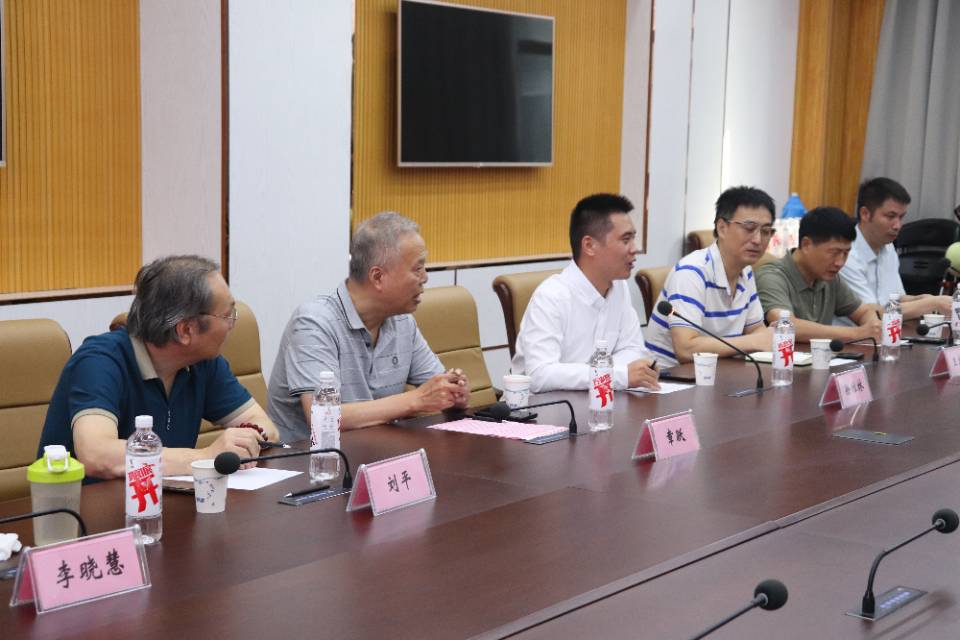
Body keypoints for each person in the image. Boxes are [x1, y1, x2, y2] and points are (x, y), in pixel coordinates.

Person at [38, 255, 279, 480]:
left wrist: (248, 439)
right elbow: (96, 454)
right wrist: (205, 457)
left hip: (165, 501)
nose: (232, 325)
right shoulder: (99, 362)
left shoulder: (203, 362)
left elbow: (264, 425)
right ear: (185, 330)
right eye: (227, 315)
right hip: (89, 506)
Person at [268, 212, 468, 442]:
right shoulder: (314, 323)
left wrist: (453, 392)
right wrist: (416, 400)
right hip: (312, 458)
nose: (425, 278)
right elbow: (323, 418)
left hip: (377, 452)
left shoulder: (402, 321)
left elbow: (437, 388)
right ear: (378, 277)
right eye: (417, 269)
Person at [511, 193, 659, 392]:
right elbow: (540, 375)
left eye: (634, 238)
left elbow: (633, 350)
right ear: (589, 245)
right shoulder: (551, 297)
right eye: (626, 240)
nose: (635, 249)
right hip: (542, 408)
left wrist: (604, 375)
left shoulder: (619, 288)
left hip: (600, 401)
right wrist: (615, 376)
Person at [645, 186, 775, 365]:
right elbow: (686, 349)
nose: (758, 240)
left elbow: (757, 330)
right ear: (722, 228)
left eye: (766, 231)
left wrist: (762, 338)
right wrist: (753, 342)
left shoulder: (745, 271)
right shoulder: (692, 272)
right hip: (671, 376)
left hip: (720, 371)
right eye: (749, 228)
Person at [756, 207, 882, 342]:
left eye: (846, 253)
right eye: (834, 252)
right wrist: (858, 333)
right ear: (806, 245)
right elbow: (786, 325)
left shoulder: (830, 278)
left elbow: (864, 312)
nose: (840, 263)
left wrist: (873, 326)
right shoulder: (771, 276)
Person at [839, 177, 952, 319]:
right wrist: (932, 304)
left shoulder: (888, 247)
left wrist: (922, 299)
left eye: (901, 217)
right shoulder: (845, 254)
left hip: (885, 331)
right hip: (855, 332)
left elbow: (895, 300)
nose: (897, 225)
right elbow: (873, 313)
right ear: (865, 214)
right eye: (890, 216)